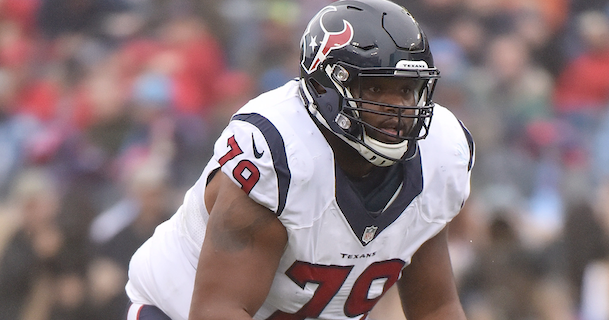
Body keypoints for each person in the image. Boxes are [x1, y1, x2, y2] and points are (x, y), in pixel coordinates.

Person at [125, 1, 475, 319]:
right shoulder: (280, 155)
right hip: (178, 311)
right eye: (376, 88)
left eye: (406, 89)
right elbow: (219, 308)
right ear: (325, 87)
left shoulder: (439, 154)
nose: (397, 108)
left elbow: (436, 307)